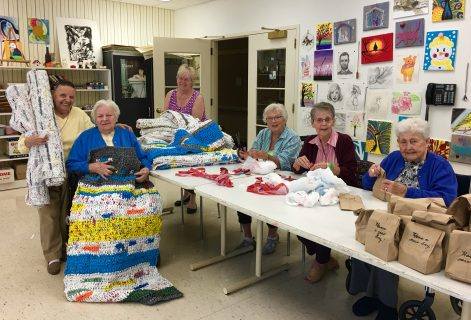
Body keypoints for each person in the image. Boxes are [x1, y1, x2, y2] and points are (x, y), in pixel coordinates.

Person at [349, 118, 457, 320]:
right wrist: (371, 175)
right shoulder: (394, 158)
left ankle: (386, 305)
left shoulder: (440, 166)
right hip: (387, 214)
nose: (408, 147)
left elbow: (447, 200)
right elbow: (365, 186)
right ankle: (369, 293)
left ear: (427, 142)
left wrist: (407, 192)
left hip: (421, 223)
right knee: (358, 239)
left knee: (383, 246)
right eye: (403, 141)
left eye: (414, 141)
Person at [17, 80, 94, 275]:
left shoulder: (80, 115)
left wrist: (117, 127)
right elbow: (20, 144)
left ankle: (66, 248)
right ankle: (52, 255)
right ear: (53, 96)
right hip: (46, 171)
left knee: (69, 211)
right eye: (62, 96)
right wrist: (28, 141)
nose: (67, 100)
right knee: (48, 213)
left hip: (73, 170)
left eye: (71, 97)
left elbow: (94, 133)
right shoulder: (41, 115)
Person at [292, 102, 358, 283]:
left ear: (333, 121)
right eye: (319, 120)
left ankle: (321, 261)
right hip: (317, 193)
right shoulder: (309, 142)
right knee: (296, 223)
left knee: (322, 226)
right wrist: (298, 163)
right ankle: (325, 257)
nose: (323, 124)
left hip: (340, 194)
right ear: (313, 123)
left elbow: (352, 170)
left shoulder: (344, 140)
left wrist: (330, 167)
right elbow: (299, 169)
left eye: (327, 119)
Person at [236, 103, 301, 254]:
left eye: (277, 117)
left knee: (269, 203)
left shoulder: (293, 138)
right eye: (269, 118)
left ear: (285, 119)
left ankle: (272, 236)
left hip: (282, 178)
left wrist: (267, 156)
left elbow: (287, 162)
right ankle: (248, 237)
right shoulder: (263, 133)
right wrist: (246, 154)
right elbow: (254, 151)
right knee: (241, 197)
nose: (273, 121)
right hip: (259, 175)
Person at [66, 99, 151, 181]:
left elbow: (142, 157)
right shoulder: (85, 137)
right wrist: (91, 167)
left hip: (129, 183)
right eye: (100, 116)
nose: (104, 119)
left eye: (109, 115)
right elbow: (71, 165)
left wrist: (146, 168)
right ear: (95, 119)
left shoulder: (127, 133)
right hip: (94, 188)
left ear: (116, 117)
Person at [163, 64, 206, 213]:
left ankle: (192, 199)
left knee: (190, 161)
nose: (182, 81)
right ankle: (186, 193)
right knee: (178, 164)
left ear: (192, 81)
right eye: (180, 78)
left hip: (194, 137)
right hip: (175, 135)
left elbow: (195, 123)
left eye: (186, 79)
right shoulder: (170, 95)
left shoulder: (197, 97)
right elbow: (165, 117)